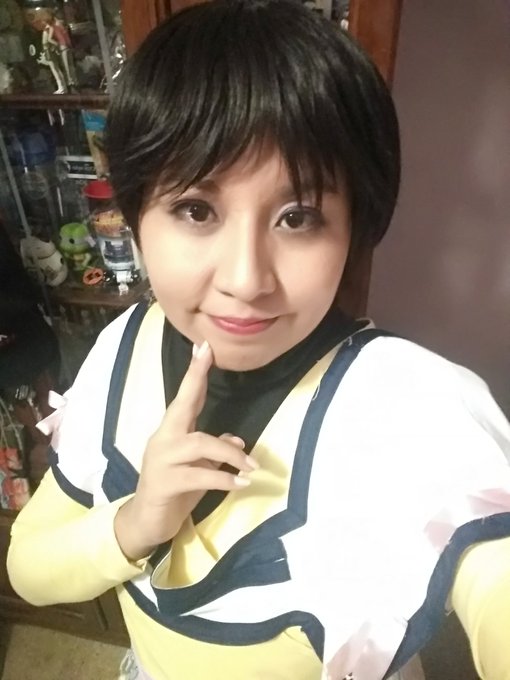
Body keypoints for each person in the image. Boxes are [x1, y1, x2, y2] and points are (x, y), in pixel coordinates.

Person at [7, 2, 510, 679]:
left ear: (354, 227)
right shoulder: (123, 347)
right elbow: (29, 570)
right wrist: (135, 522)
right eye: (196, 210)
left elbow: (494, 575)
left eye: (298, 217)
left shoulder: (407, 403)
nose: (246, 280)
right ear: (134, 215)